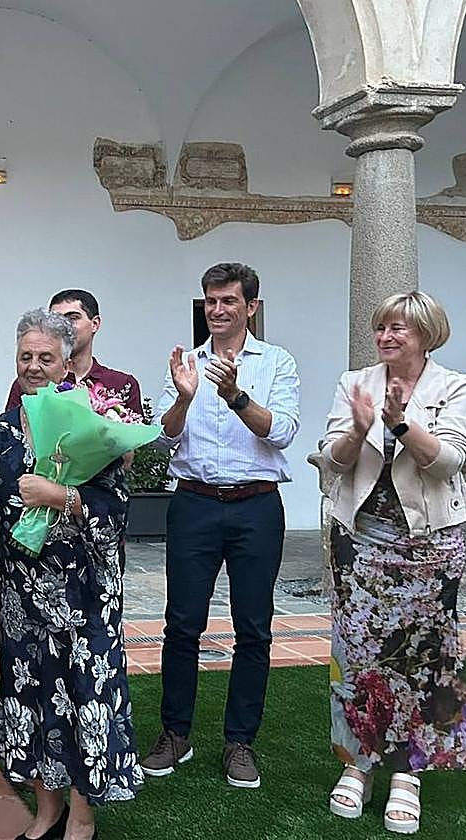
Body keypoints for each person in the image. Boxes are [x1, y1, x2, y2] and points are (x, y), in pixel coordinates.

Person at [0, 309, 142, 840]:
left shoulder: (90, 417)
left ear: (68, 359)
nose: (34, 366)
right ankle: (46, 811)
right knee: (33, 693)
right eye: (25, 356)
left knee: (84, 694)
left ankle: (83, 815)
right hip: (24, 594)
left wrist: (62, 496)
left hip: (84, 591)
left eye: (46, 356)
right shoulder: (4, 427)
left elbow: (114, 509)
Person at [321, 291, 466, 833]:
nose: (388, 338)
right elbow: (332, 461)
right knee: (356, 652)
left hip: (430, 544)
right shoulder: (354, 382)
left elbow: (449, 462)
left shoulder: (453, 386)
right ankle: (358, 765)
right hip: (360, 540)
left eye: (400, 329)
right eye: (382, 328)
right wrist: (361, 428)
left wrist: (398, 423)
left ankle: (407, 774)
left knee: (422, 657)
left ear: (427, 334)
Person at [140, 262, 300, 789]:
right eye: (210, 300)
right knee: (182, 624)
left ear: (251, 307)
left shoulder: (276, 363)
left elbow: (282, 433)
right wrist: (185, 397)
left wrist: (235, 396)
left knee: (253, 628)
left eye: (229, 300)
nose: (218, 310)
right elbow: (163, 439)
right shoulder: (185, 363)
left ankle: (239, 742)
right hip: (194, 505)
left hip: (256, 506)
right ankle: (175, 733)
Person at [4, 289, 140, 414]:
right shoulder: (32, 380)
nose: (64, 325)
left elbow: (137, 435)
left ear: (95, 324)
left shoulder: (122, 383)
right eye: (56, 319)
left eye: (72, 318)